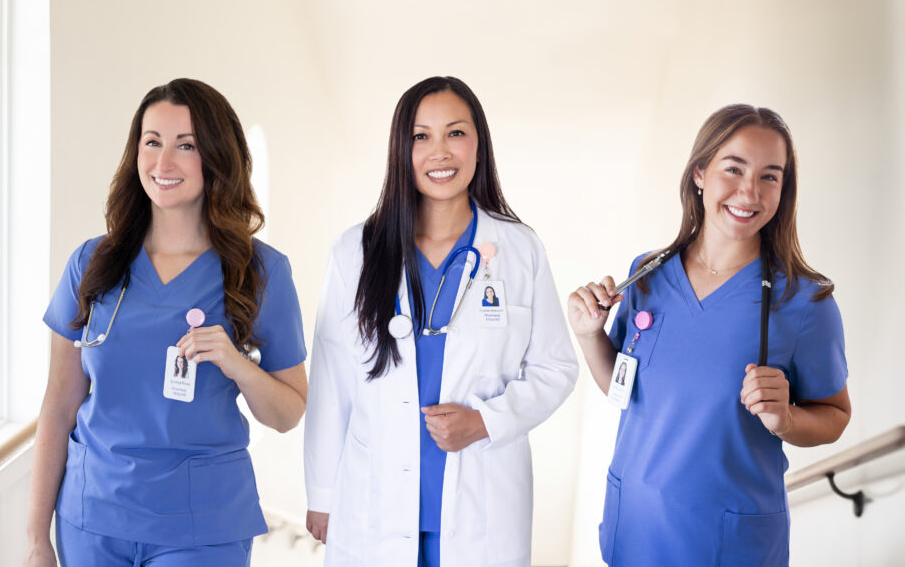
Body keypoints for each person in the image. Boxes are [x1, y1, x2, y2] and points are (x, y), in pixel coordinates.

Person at [24, 79, 308, 567]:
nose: (163, 163)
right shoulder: (93, 263)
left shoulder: (259, 272)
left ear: (217, 157)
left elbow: (287, 414)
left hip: (201, 525)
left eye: (186, 146)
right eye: (152, 142)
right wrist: (35, 537)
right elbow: (58, 405)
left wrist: (237, 364)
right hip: (93, 517)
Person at [304, 76, 578, 567]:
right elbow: (331, 379)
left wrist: (484, 422)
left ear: (479, 146)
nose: (440, 152)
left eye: (455, 133)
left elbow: (556, 367)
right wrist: (322, 492)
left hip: (482, 510)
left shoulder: (518, 249)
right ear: (400, 150)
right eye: (420, 136)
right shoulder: (356, 251)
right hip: (373, 507)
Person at [567, 104, 850, 566]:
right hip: (634, 528)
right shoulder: (647, 274)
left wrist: (786, 420)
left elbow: (835, 414)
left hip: (727, 543)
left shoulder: (804, 302)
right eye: (733, 168)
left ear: (784, 190)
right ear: (699, 173)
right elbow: (622, 390)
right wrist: (588, 336)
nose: (749, 191)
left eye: (769, 176)